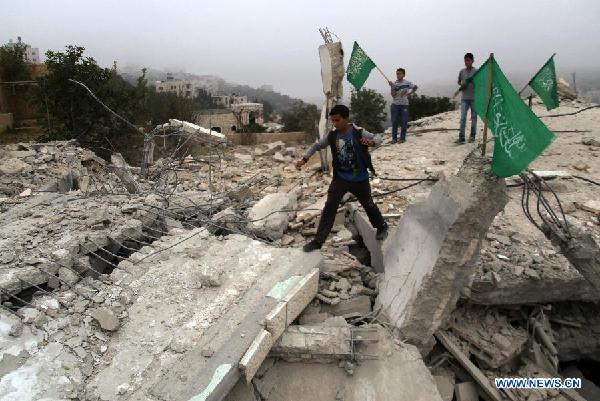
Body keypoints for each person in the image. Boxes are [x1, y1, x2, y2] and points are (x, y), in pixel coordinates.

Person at [295, 104, 388, 252]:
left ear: (346, 118)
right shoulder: (332, 135)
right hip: (341, 179)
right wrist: (304, 159)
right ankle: (318, 241)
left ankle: (381, 226)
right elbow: (317, 145)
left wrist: (372, 142)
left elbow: (378, 137)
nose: (335, 124)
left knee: (368, 204)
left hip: (360, 178)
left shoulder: (358, 132)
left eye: (337, 120)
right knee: (329, 207)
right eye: (332, 121)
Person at [388, 68, 418, 144]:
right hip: (395, 105)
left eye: (400, 73)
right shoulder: (394, 84)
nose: (398, 75)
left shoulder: (407, 83)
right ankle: (394, 139)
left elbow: (415, 87)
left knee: (404, 122)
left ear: (403, 75)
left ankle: (402, 138)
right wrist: (392, 87)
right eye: (397, 74)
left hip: (404, 105)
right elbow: (393, 96)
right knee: (394, 122)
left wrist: (410, 93)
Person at [454, 53, 478, 144]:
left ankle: (472, 136)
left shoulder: (476, 71)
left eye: (468, 60)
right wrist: (462, 85)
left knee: (474, 117)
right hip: (464, 98)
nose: (467, 62)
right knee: (463, 117)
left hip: (474, 98)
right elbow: (459, 81)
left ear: (472, 61)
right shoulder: (462, 71)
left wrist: (473, 82)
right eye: (465, 60)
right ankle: (461, 137)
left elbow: (480, 83)